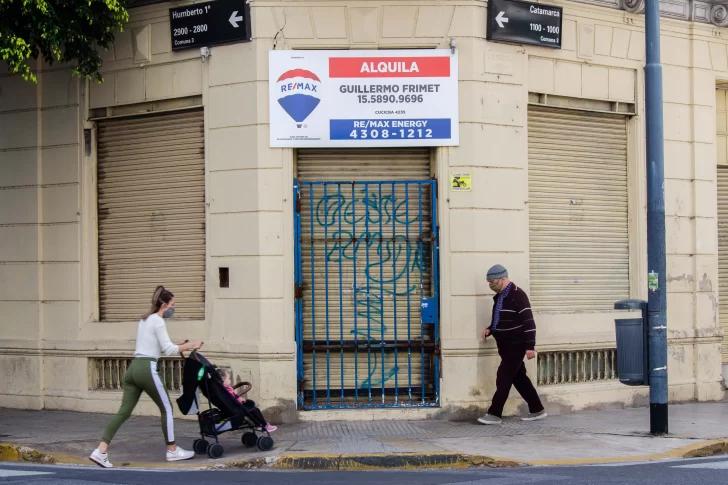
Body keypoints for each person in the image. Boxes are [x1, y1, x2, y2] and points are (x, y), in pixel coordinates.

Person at [89, 286, 204, 468]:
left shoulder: (144, 320)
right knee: (166, 408)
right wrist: (190, 345)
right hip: (148, 369)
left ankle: (100, 451)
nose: (174, 308)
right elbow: (168, 350)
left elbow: (153, 345)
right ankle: (172, 450)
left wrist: (179, 345)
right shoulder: (158, 321)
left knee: (123, 412)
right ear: (164, 305)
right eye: (173, 305)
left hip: (133, 368)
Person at [478, 265, 547, 425]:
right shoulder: (501, 296)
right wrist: (490, 329)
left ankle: (494, 413)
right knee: (520, 379)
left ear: (502, 279)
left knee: (503, 377)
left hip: (516, 344)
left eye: (492, 281)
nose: (491, 285)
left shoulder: (518, 295)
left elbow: (529, 321)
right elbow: (501, 319)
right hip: (505, 345)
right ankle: (537, 409)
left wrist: (530, 346)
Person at [218, 368, 277, 432]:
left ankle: (258, 424)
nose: (230, 381)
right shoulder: (226, 390)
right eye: (228, 379)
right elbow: (232, 399)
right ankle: (264, 425)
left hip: (231, 407)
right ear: (222, 380)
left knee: (250, 403)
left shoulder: (221, 390)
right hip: (235, 408)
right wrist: (240, 399)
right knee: (254, 410)